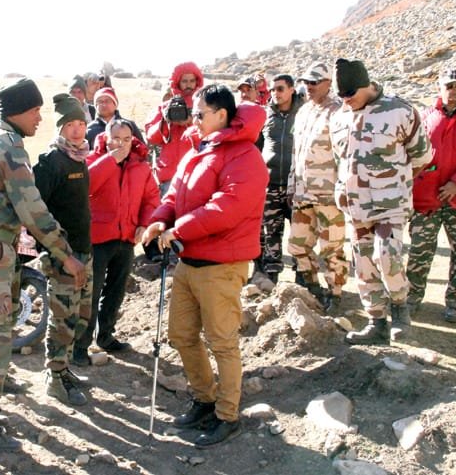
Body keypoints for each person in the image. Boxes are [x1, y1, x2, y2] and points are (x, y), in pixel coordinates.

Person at [0, 78, 86, 452]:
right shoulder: (9, 147)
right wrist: (65, 254)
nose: (41, 119)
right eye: (36, 111)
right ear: (18, 112)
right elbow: (33, 209)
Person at [142, 86, 268, 448]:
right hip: (189, 261)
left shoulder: (244, 155)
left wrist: (179, 229)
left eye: (200, 114)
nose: (193, 119)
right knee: (181, 334)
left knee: (222, 342)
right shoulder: (200, 150)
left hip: (222, 265)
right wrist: (161, 219)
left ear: (222, 115)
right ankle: (204, 399)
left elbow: (227, 207)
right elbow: (174, 193)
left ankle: (228, 416)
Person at [330, 59, 431, 345]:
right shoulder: (338, 118)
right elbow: (340, 161)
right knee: (363, 265)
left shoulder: (400, 111)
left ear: (366, 85)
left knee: (387, 256)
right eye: (342, 96)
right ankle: (376, 322)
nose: (347, 101)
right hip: (355, 206)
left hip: (390, 205)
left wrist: (396, 183)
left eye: (351, 94)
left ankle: (400, 310)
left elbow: (422, 156)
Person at [73, 119, 160, 366]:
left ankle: (106, 335)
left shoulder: (141, 167)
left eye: (126, 139)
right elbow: (87, 185)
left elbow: (151, 198)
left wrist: (143, 224)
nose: (121, 144)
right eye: (116, 138)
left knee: (116, 291)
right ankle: (80, 345)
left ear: (133, 140)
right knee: (90, 293)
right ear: (106, 138)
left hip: (126, 239)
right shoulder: (93, 160)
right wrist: (111, 159)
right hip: (98, 240)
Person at [406, 68, 456, 323]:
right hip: (428, 198)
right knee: (420, 251)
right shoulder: (426, 117)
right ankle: (412, 298)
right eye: (450, 85)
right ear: (440, 88)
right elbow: (415, 154)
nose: (455, 90)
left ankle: (454, 303)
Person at [32, 94, 94, 406]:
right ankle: (54, 376)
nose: (77, 130)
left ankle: (64, 367)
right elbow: (36, 214)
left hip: (84, 252)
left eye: (81, 123)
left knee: (80, 318)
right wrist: (59, 254)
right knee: (62, 319)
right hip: (63, 257)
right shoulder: (50, 162)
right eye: (70, 125)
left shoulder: (81, 158)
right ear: (61, 128)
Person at [286, 63, 347, 312]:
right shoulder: (302, 112)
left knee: (332, 249)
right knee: (298, 245)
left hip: (328, 195)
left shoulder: (339, 113)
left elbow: (345, 155)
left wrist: (343, 190)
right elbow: (295, 152)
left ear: (328, 83)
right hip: (302, 193)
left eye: (315, 82)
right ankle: (312, 289)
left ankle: (336, 294)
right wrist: (292, 185)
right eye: (306, 82)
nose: (309, 87)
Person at [254, 74, 304, 284]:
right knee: (270, 230)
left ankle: (303, 276)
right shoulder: (266, 116)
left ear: (292, 89)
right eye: (273, 90)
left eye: (280, 89)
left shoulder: (304, 114)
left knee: (301, 233)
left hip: (297, 185)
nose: (276, 93)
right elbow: (256, 146)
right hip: (271, 183)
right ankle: (271, 275)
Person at [146, 61, 204, 195]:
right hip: (169, 176)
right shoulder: (165, 107)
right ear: (177, 82)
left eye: (192, 80)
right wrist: (167, 122)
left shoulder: (204, 106)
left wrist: (192, 122)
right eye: (184, 81)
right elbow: (151, 137)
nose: (188, 85)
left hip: (198, 173)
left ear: (197, 82)